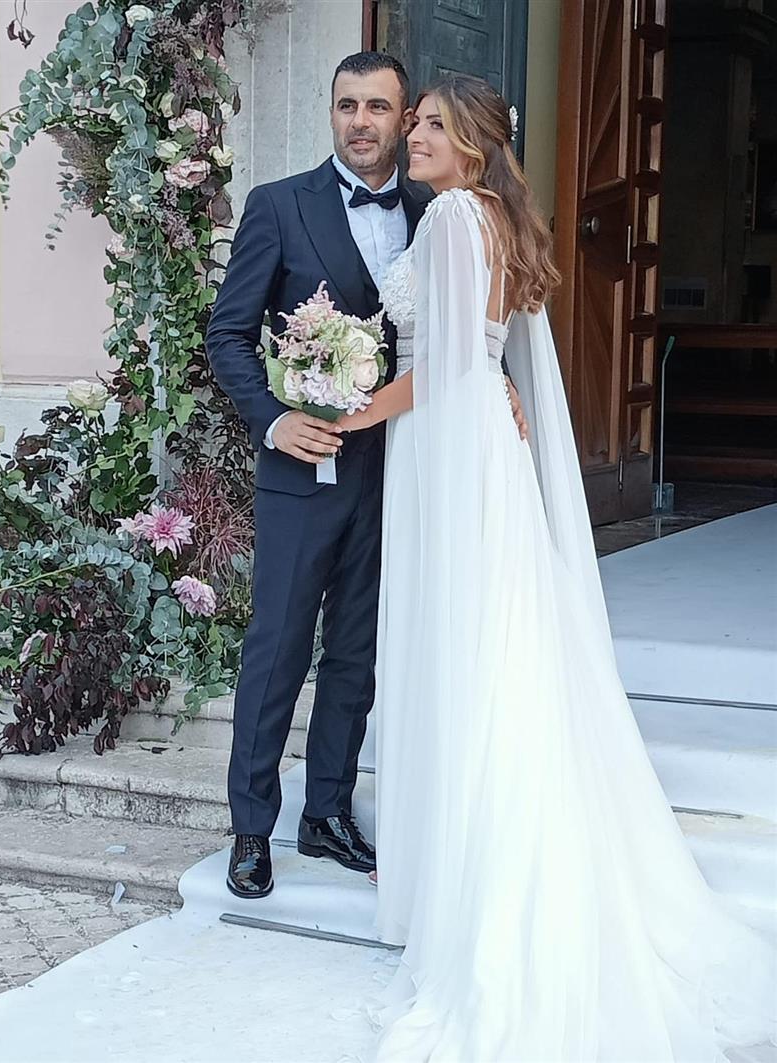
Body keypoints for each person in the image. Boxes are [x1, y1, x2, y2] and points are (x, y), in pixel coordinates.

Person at [339, 74, 776, 1062]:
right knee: (494, 650)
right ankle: (458, 863)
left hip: (449, 451)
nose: (412, 136)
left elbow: (444, 363)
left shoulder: (451, 215)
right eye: (415, 122)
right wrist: (483, 383)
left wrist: (350, 411)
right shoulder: (492, 216)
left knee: (463, 651)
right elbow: (480, 350)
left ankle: (470, 884)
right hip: (473, 442)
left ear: (473, 144)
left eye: (432, 125)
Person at [206, 52, 529, 900]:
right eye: (346, 104)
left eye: (379, 107)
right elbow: (228, 335)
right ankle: (252, 827)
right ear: (332, 112)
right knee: (278, 647)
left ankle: (328, 811)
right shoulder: (279, 205)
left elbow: (460, 329)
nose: (362, 121)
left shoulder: (438, 205)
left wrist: (496, 376)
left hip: (401, 469)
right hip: (300, 467)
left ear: (404, 117)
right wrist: (274, 418)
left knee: (358, 651)